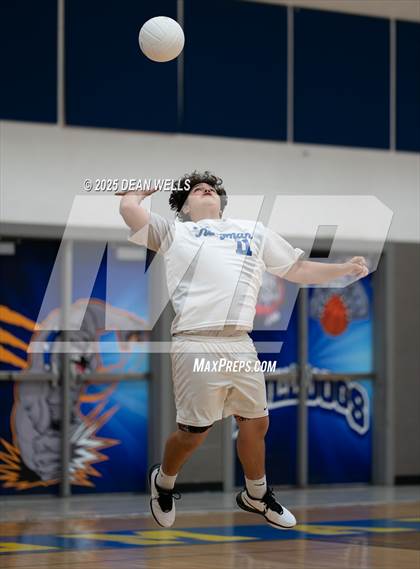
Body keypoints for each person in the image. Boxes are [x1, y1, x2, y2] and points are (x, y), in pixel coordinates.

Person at [119, 171, 368, 529]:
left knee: (257, 421)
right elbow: (130, 212)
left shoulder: (253, 231)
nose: (206, 190)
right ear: (185, 207)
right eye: (197, 189)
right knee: (194, 433)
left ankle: (256, 494)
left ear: (221, 202)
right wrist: (136, 193)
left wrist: (342, 270)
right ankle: (163, 481)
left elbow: (296, 269)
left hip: (240, 343)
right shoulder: (176, 233)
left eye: (211, 188)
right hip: (196, 341)